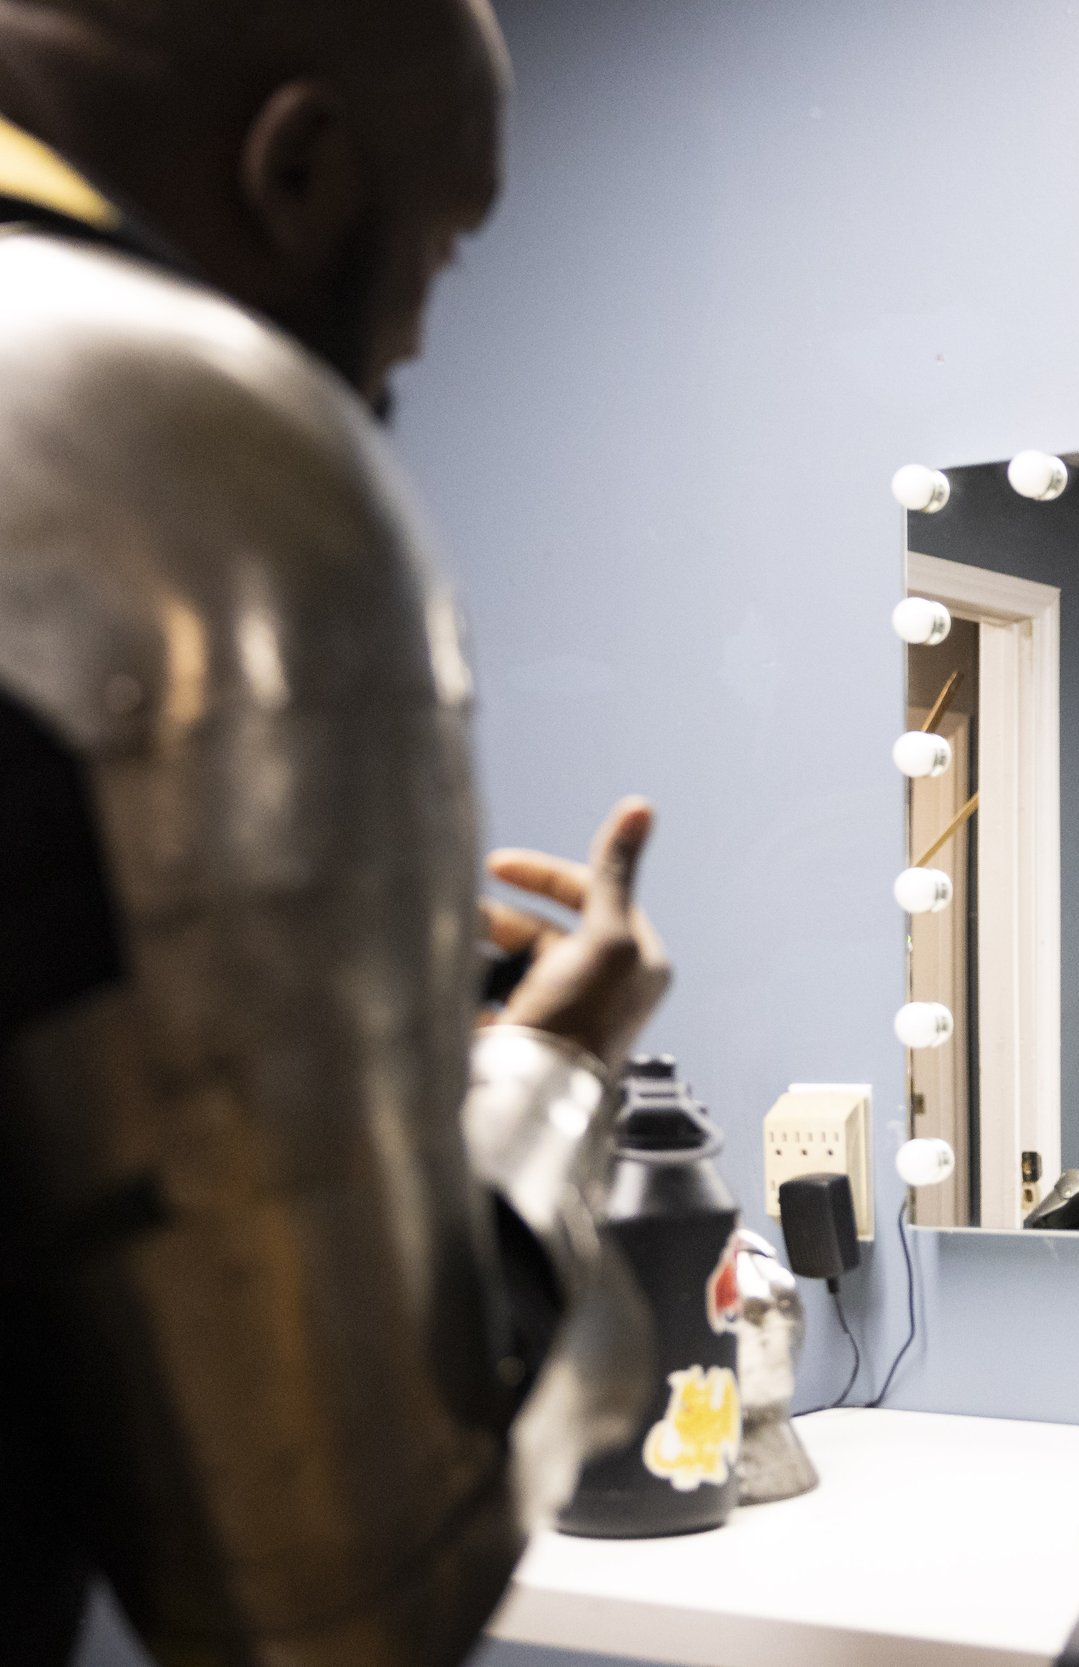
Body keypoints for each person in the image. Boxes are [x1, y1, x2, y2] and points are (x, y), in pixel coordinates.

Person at [0, 4, 670, 1661]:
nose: (422, 344)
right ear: (299, 165)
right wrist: (558, 1059)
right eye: (441, 249)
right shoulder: (164, 447)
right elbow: (336, 1594)